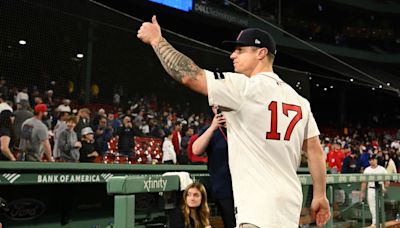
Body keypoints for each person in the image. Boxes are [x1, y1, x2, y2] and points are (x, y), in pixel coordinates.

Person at [138, 16, 330, 227]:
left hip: (257, 210)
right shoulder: (299, 101)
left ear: (261, 53)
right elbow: (315, 151)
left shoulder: (244, 88)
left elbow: (189, 75)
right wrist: (320, 195)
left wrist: (157, 40)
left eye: (240, 50)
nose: (232, 55)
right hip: (289, 204)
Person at [192, 105, 235, 228]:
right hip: (224, 188)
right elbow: (196, 150)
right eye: (215, 107)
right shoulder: (210, 130)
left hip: (245, 185)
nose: (218, 109)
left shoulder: (241, 127)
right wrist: (212, 128)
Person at [360, 154, 390, 227]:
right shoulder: (367, 169)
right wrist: (362, 192)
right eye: (370, 160)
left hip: (380, 189)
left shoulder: (382, 169)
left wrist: (385, 188)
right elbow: (364, 182)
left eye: (373, 159)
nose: (371, 161)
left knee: (379, 206)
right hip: (370, 189)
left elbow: (387, 180)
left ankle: (377, 222)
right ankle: (375, 222)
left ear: (376, 160)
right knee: (372, 207)